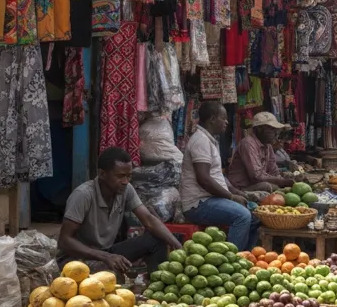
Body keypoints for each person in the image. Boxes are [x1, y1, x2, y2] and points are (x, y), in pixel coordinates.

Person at [58, 147, 184, 277]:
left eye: (129, 176)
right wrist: (106, 256)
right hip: (77, 258)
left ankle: (157, 285)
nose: (125, 181)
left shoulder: (126, 189)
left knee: (156, 239)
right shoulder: (83, 195)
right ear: (102, 174)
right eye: (120, 176)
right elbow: (64, 241)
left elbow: (148, 219)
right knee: (112, 275)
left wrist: (177, 245)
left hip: (107, 252)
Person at [181, 101, 260, 251]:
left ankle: (246, 255)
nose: (226, 122)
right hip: (199, 203)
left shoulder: (210, 140)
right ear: (212, 119)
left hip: (212, 199)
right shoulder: (200, 141)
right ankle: (233, 260)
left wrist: (238, 193)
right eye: (223, 118)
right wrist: (231, 197)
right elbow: (204, 179)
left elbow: (218, 176)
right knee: (242, 216)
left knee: (256, 213)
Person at [227, 112, 294, 193]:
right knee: (267, 186)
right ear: (259, 129)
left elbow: (273, 170)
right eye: (271, 129)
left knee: (280, 187)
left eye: (276, 130)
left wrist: (283, 178)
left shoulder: (267, 145)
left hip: (255, 184)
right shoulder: (248, 143)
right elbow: (256, 176)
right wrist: (282, 182)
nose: (276, 133)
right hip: (241, 189)